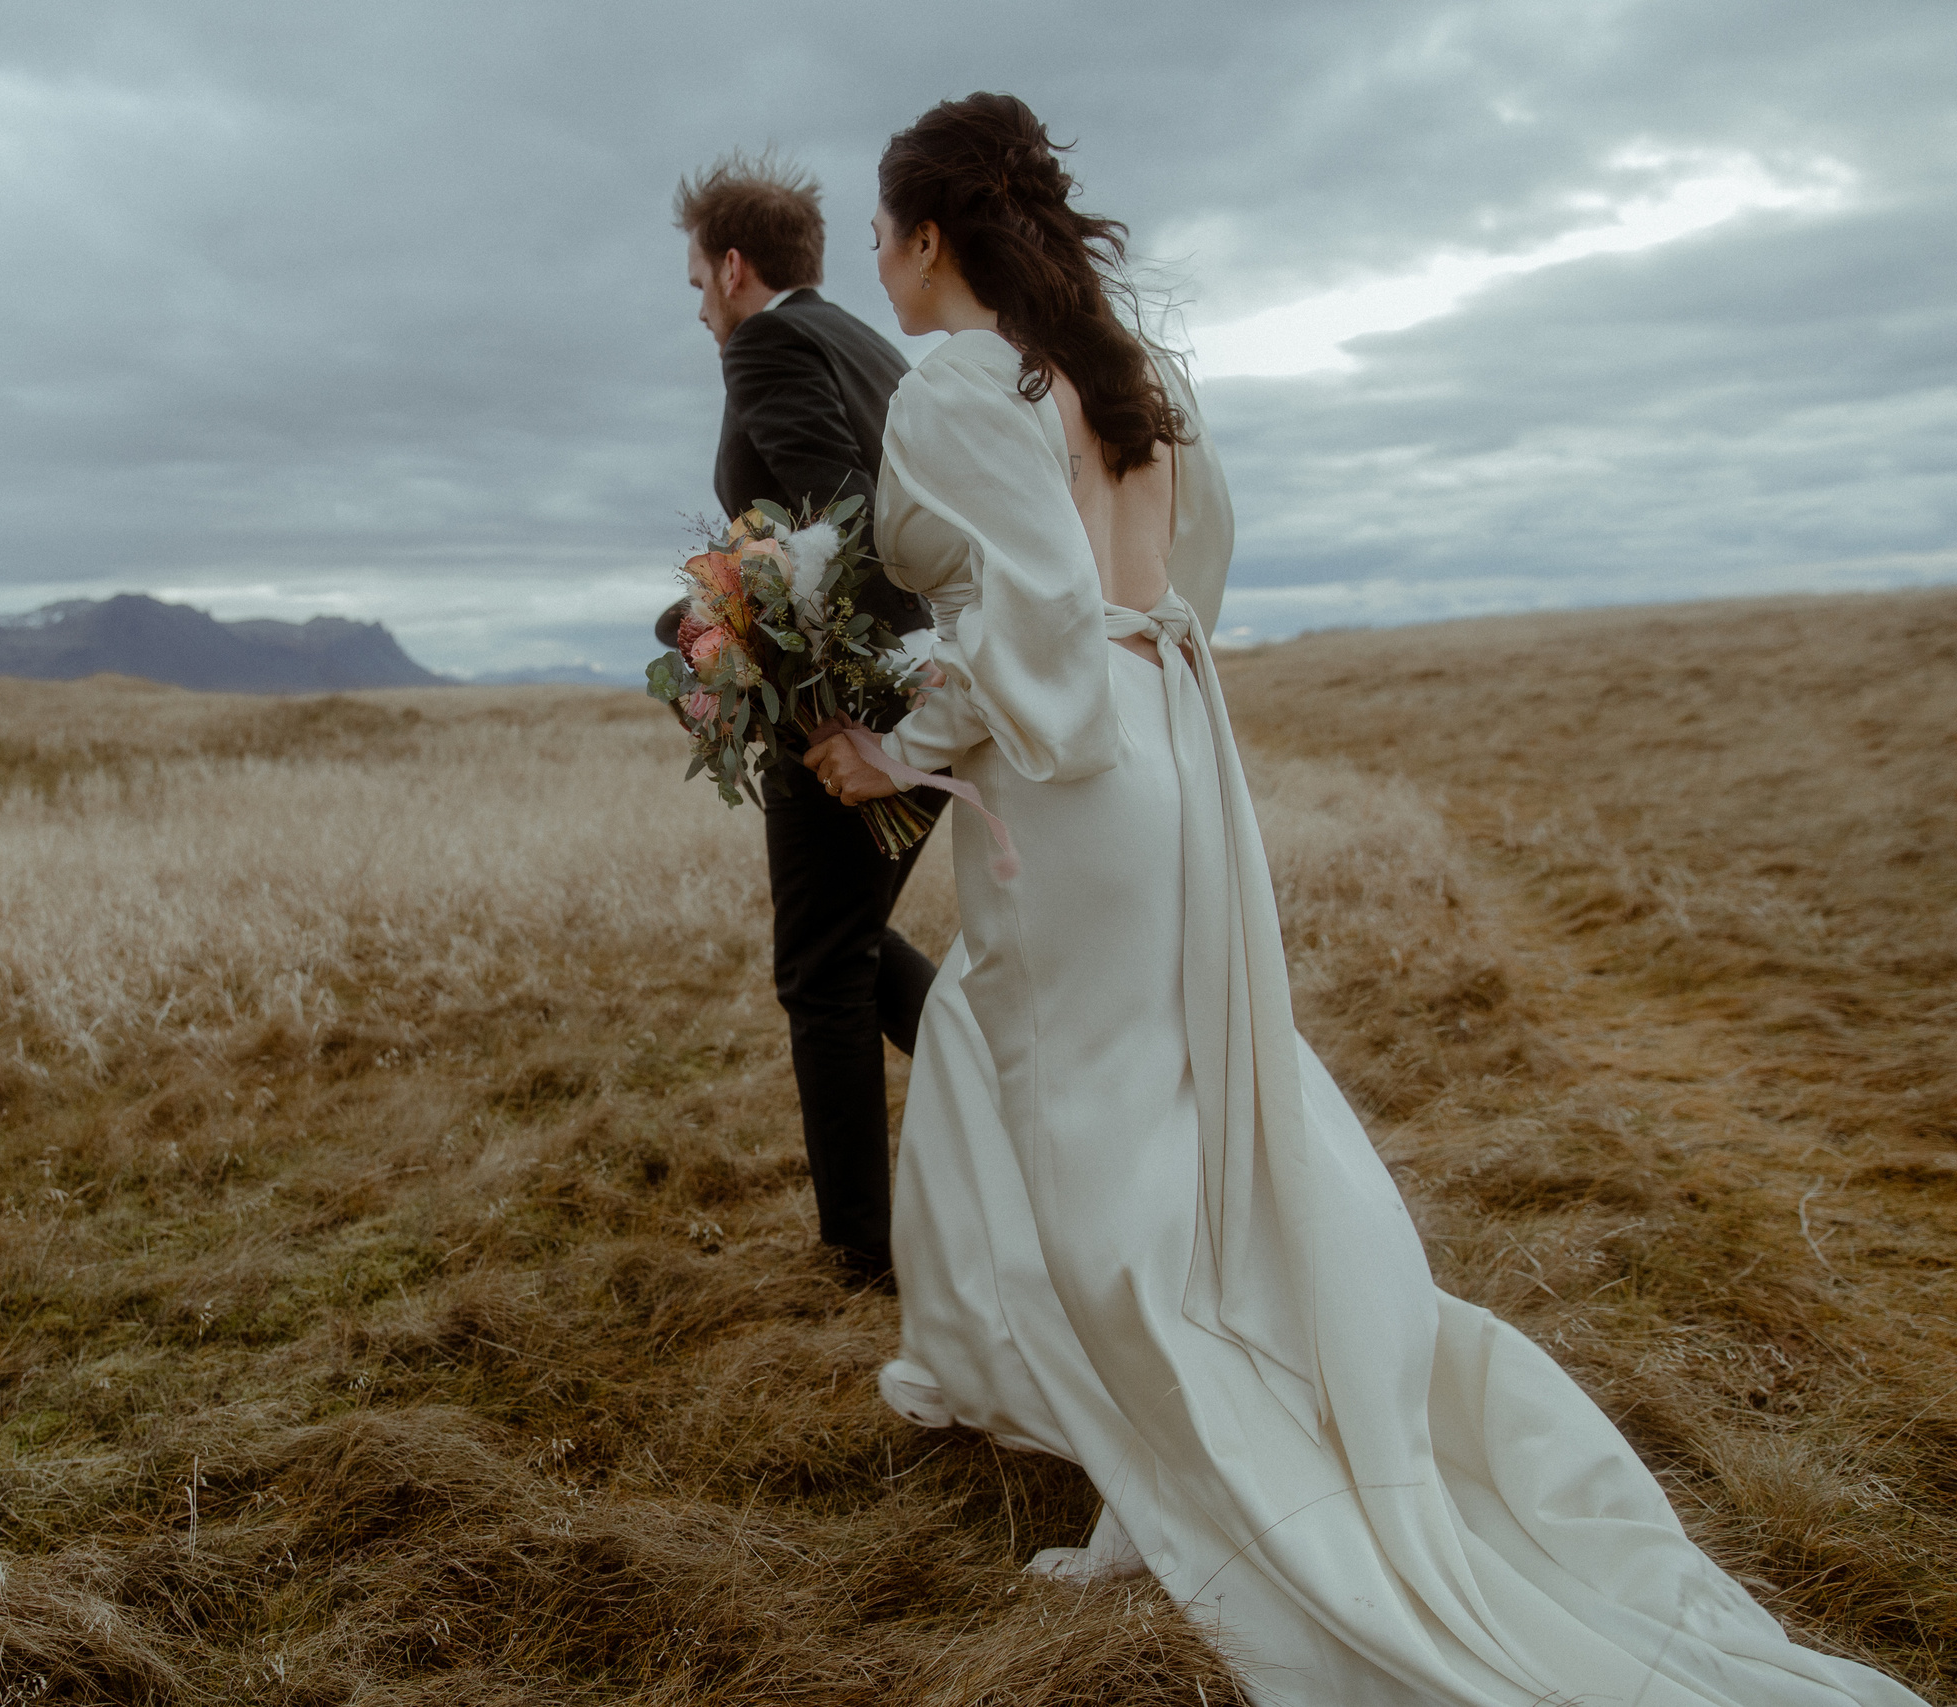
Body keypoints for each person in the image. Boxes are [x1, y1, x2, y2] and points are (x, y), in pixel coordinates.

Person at [804, 93, 1923, 1707]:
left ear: (925, 235)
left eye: (879, 234)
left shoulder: (962, 382)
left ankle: (1206, 1485)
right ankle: (1159, 1475)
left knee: (1088, 1153)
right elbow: (1175, 587)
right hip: (1177, 760)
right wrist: (1096, 683)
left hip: (1076, 793)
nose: (877, 269)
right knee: (1167, 1120)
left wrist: (893, 743)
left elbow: (1039, 615)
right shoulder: (1132, 380)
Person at [665, 152, 945, 1287]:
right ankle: (1016, 1100)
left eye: (695, 282)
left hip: (848, 714)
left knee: (819, 974)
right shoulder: (872, 345)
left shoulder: (771, 344)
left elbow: (830, 519)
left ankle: (860, 1264)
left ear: (734, 268)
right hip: (920, 686)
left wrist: (717, 629)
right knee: (840, 946)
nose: (697, 308)